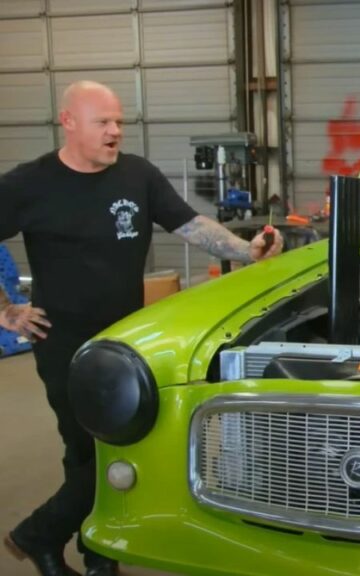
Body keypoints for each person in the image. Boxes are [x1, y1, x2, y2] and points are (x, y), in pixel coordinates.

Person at [0, 80, 283, 576]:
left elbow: (191, 224)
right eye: (102, 123)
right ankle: (48, 539)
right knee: (91, 451)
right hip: (62, 342)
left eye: (118, 123)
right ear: (68, 122)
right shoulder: (29, 184)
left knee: (113, 447)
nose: (114, 132)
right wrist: (7, 309)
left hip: (127, 342)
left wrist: (246, 250)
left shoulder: (137, 176)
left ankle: (88, 549)